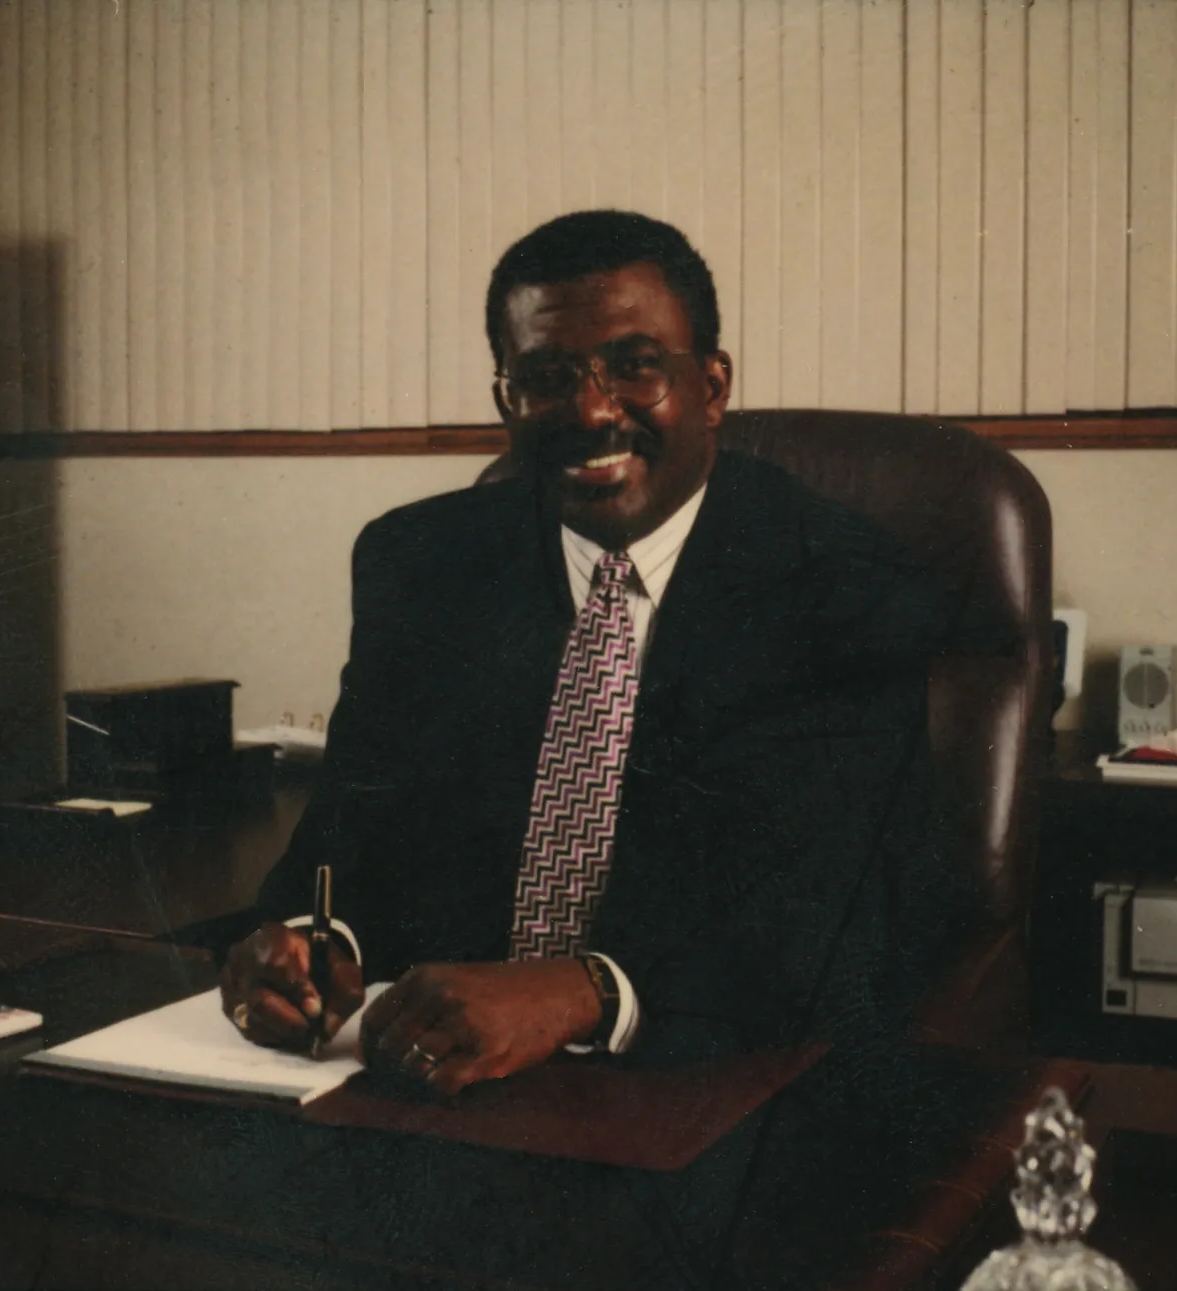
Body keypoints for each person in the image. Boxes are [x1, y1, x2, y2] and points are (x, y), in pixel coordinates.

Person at [219, 210, 992, 1287]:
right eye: (546, 378)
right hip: (447, 1099)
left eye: (636, 368)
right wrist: (309, 938)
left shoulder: (841, 580)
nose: (590, 411)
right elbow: (345, 831)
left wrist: (579, 988)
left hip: (718, 1095)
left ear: (713, 384)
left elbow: (828, 921)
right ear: (505, 400)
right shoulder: (420, 563)